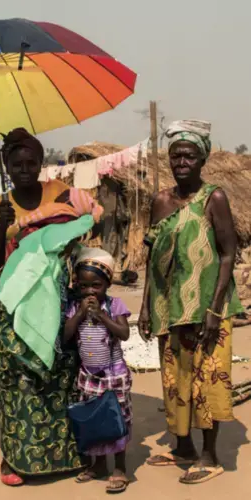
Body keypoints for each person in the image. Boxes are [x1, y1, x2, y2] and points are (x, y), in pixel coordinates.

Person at [0, 127, 103, 486]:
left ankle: (66, 455)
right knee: (20, 380)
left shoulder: (61, 193)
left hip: (61, 298)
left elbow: (97, 218)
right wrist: (3, 225)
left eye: (31, 162)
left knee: (63, 376)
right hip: (15, 304)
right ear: (6, 165)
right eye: (16, 164)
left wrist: (63, 236)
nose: (24, 170)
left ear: (40, 163)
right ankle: (14, 458)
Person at [138, 120, 243, 484]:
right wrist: (145, 308)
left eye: (189, 155)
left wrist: (214, 310)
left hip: (208, 309)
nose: (181, 161)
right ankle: (183, 446)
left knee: (207, 380)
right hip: (170, 308)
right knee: (175, 379)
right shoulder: (161, 202)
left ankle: (210, 455)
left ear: (202, 159)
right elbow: (152, 261)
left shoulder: (214, 198)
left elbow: (229, 255)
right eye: (175, 155)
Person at [64, 248, 132, 494]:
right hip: (89, 377)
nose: (90, 291)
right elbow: (66, 335)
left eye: (96, 286)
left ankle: (120, 467)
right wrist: (81, 313)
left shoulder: (115, 306)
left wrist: (102, 317)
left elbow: (124, 334)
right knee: (95, 421)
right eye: (84, 286)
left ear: (107, 284)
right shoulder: (76, 308)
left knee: (116, 420)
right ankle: (99, 464)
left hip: (114, 374)